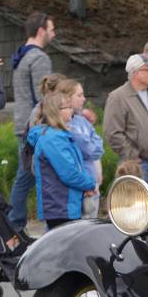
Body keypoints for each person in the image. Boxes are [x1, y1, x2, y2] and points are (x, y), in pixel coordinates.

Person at [9, 11, 56, 231]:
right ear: (41, 31)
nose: (53, 35)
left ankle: (15, 222)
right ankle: (16, 224)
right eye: (51, 30)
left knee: (25, 174)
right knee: (32, 175)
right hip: (34, 126)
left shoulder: (21, 55)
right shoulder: (39, 58)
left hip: (22, 123)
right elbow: (43, 97)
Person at [26, 91, 96, 230]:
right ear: (56, 111)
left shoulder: (59, 136)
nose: (72, 110)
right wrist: (90, 184)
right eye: (68, 107)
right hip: (60, 206)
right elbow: (69, 173)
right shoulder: (53, 139)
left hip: (64, 204)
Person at [103, 53, 148, 182]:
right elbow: (112, 133)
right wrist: (133, 155)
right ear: (136, 72)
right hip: (135, 166)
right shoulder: (117, 97)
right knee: (137, 202)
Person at [56, 78, 104, 218]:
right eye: (79, 95)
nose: (83, 99)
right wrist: (90, 145)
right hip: (81, 187)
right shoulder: (65, 125)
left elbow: (98, 145)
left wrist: (91, 146)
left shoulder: (82, 121)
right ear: (67, 98)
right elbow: (86, 148)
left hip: (93, 184)